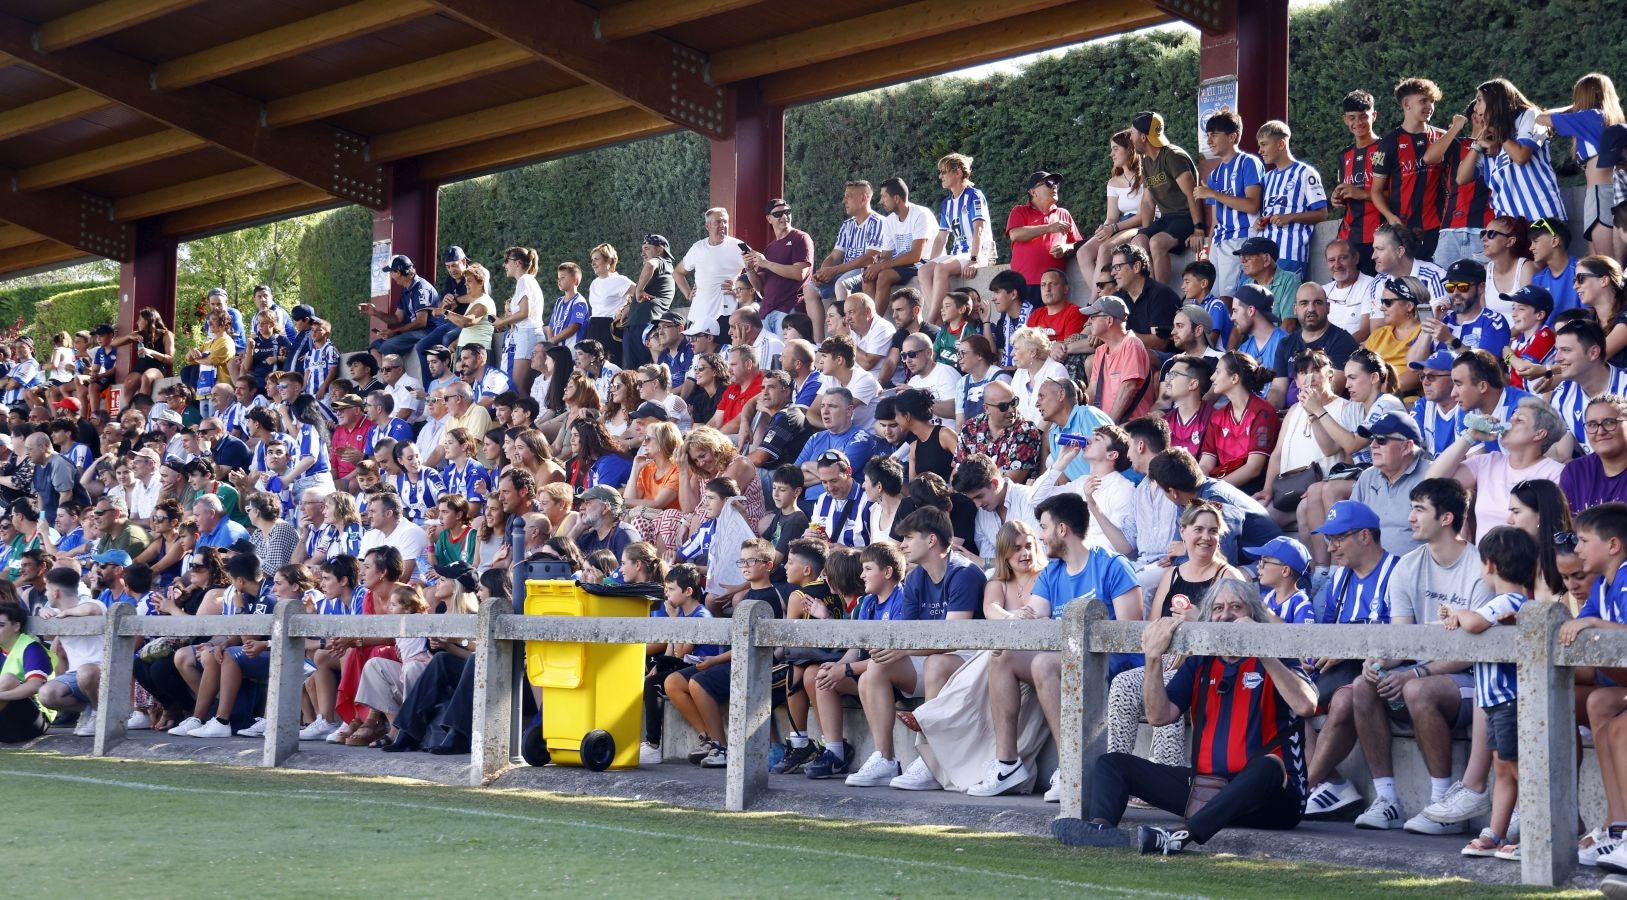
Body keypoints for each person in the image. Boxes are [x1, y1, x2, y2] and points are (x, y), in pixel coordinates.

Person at [1053, 578, 1317, 854]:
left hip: (1272, 801)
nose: (1225, 615)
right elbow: (1159, 716)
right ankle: (1101, 830)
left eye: (1236, 607)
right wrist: (1153, 658)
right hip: (1206, 792)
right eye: (1217, 609)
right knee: (1112, 764)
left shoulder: (1277, 654)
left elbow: (1306, 706)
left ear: (1254, 615)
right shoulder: (1202, 659)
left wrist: (1261, 647)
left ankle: (1180, 836)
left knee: (1269, 766)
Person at [838, 509, 986, 788]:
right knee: (875, 669)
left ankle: (932, 759)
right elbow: (905, 633)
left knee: (936, 664)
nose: (902, 544)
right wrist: (901, 650)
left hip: (968, 658)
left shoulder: (964, 573)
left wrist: (907, 650)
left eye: (908, 537)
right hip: (927, 653)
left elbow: (955, 637)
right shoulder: (916, 579)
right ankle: (885, 759)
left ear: (931, 540)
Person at [1105, 500, 1245, 774]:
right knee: (1123, 683)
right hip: (1168, 662)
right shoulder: (1172, 574)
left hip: (1212, 667)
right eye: (1199, 529)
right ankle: (1115, 769)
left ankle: (1164, 772)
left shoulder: (1228, 576)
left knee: (1167, 686)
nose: (1206, 537)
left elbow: (1243, 635)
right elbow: (1154, 625)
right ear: (1183, 531)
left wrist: (1199, 621)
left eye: (1213, 531)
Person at [1444, 526, 1537, 859]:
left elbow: (1475, 624)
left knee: (1516, 767)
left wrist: (1459, 614)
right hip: (1496, 702)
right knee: (1502, 766)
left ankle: (1539, 833)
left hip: (1511, 701)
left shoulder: (1509, 601)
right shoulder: (1508, 600)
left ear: (1490, 565)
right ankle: (1495, 833)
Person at [1427, 396, 1567, 540]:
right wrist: (1470, 436)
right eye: (1512, 417)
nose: (1510, 421)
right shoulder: (1488, 462)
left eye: (1519, 420)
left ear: (1539, 434)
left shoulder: (1556, 473)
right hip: (1483, 560)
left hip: (1525, 559)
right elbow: (1432, 483)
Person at [1539, 73, 1625, 257]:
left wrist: (1574, 107)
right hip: (1605, 193)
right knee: (1598, 259)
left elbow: (1541, 117)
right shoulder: (1607, 119)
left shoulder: (1589, 116)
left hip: (1602, 194)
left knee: (1606, 262)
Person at [1369, 77, 1447, 261]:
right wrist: (1390, 217)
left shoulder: (1442, 138)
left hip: (1438, 226)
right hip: (1402, 229)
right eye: (1423, 101)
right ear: (1406, 104)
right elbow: (1376, 190)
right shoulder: (1389, 142)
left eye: (1432, 101)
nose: (1429, 106)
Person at [1475, 78, 1567, 232]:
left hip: (1541, 215)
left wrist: (1498, 132)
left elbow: (1521, 156)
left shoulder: (1530, 116)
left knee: (1546, 257)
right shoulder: (1489, 138)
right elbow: (1461, 178)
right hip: (1508, 225)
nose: (1476, 107)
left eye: (1479, 100)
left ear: (1495, 101)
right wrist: (1478, 143)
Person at [1129, 111, 1202, 286]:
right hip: (1167, 219)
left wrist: (1198, 229)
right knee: (1139, 241)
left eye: (1132, 133)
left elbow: (1192, 193)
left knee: (1156, 243)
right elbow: (1147, 202)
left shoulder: (1173, 156)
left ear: (1143, 137)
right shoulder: (1146, 162)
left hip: (1185, 217)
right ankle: (1149, 290)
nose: (1131, 138)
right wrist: (1146, 233)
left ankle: (1160, 295)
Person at [1193, 110, 1262, 294]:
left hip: (1244, 237)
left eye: (1214, 135)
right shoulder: (1214, 174)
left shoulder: (1249, 163)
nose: (1209, 141)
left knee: (1230, 297)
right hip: (1219, 243)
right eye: (1208, 135)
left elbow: (1252, 205)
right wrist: (1208, 249)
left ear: (1232, 136)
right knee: (1214, 295)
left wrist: (1214, 194)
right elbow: (1216, 220)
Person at [804, 181, 884, 338]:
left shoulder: (878, 222)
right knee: (810, 289)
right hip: (844, 271)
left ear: (864, 198)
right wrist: (822, 272)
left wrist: (834, 270)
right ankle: (819, 342)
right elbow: (834, 256)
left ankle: (846, 336)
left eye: (848, 197)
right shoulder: (847, 225)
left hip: (864, 271)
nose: (844, 201)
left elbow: (870, 258)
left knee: (841, 284)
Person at [34, 566, 107, 737]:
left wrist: (63, 614)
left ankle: (102, 715)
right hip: (75, 676)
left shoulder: (93, 603)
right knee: (46, 694)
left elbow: (91, 610)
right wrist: (43, 611)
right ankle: (90, 710)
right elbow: (47, 634)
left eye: (47, 590)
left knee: (86, 672)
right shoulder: (56, 613)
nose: (46, 594)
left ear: (56, 592)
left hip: (102, 672)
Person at [918, 154, 989, 324]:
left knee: (941, 268)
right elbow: (941, 238)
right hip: (958, 254)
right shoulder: (947, 203)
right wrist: (931, 262)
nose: (940, 176)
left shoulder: (974, 195)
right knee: (924, 270)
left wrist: (974, 259)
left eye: (944, 172)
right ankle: (939, 323)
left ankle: (930, 320)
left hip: (976, 253)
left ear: (957, 173)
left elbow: (979, 229)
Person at [1255, 119, 1329, 279]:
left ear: (1281, 144)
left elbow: (1322, 214)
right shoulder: (1267, 178)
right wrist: (1261, 221)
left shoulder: (1306, 173)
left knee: (1285, 303)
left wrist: (1290, 217)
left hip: (1290, 255)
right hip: (1262, 255)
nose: (1260, 150)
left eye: (1264, 144)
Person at [1267, 284, 1361, 409]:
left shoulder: (1342, 341)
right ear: (1295, 309)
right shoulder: (1285, 343)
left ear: (1328, 307)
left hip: (1328, 415)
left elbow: (1332, 390)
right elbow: (1278, 389)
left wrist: (1297, 413)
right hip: (1289, 416)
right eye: (1304, 303)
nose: (1311, 309)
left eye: (1317, 302)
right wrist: (1270, 412)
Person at [1199, 352, 1278, 493]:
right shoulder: (1217, 416)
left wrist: (1214, 489)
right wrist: (1199, 485)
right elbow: (1206, 463)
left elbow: (1254, 469)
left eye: (1218, 372)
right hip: (1221, 483)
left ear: (1234, 378)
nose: (1212, 378)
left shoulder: (1262, 412)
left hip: (1251, 488)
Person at [1076, 131, 1145, 282]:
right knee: (1083, 253)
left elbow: (1142, 216)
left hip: (1140, 224)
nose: (1111, 154)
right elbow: (1112, 216)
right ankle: (1102, 296)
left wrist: (1113, 228)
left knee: (1105, 249)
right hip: (1120, 223)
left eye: (1115, 149)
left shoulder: (1146, 176)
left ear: (1130, 149)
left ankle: (1095, 300)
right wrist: (1104, 228)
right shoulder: (1113, 182)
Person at [1551, 319, 1627, 454]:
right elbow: (1563, 455)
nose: (1557, 358)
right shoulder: (1561, 396)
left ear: (1593, 353)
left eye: (1566, 350)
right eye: (1557, 350)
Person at [1005, 171, 1079, 304]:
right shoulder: (1020, 211)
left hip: (1054, 285)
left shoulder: (1063, 213)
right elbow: (1015, 234)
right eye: (1048, 183)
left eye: (1056, 183)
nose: (1054, 186)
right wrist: (1049, 228)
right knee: (1025, 324)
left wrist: (1066, 248)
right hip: (1024, 283)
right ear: (1033, 192)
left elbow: (1078, 244)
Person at [1332, 89, 1384, 273]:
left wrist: (1361, 194)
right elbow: (1345, 189)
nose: (1357, 123)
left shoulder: (1385, 149)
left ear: (1374, 115)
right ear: (1345, 119)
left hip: (1380, 237)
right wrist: (1337, 198)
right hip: (1349, 238)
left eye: (1363, 116)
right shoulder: (1344, 155)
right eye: (1352, 117)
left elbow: (1399, 194)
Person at [862, 177, 937, 304]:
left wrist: (882, 265)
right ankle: (871, 318)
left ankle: (875, 321)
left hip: (926, 261)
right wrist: (876, 264)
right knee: (868, 276)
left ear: (896, 198)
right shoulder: (890, 220)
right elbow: (886, 255)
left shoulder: (921, 214)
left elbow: (916, 255)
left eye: (884, 197)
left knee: (884, 276)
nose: (881, 201)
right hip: (905, 264)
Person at [955, 380, 1044, 485]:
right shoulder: (969, 428)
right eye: (1004, 406)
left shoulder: (1026, 431)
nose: (1011, 410)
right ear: (987, 408)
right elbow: (957, 472)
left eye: (1013, 403)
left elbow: (1010, 483)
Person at [1081, 295, 1153, 423]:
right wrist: (1077, 413)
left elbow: (1128, 388)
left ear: (1109, 320)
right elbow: (1091, 391)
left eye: (1093, 317)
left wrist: (1109, 427)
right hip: (1108, 428)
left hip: (1130, 429)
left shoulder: (1132, 344)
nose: (1088, 322)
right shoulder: (1100, 351)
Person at [1109, 242, 1181, 352]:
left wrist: (1120, 336)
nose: (1113, 273)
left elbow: (1160, 343)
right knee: (1091, 361)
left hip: (1164, 360)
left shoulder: (1161, 295)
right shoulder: (1117, 297)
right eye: (1113, 268)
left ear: (1136, 267)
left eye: (1117, 267)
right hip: (1129, 352)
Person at [366, 255, 439, 362]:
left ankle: (398, 376)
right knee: (374, 346)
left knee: (387, 346)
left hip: (427, 332)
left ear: (398, 273)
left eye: (391, 272)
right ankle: (385, 376)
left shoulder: (421, 288)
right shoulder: (405, 289)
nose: (391, 276)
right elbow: (397, 318)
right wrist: (376, 313)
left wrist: (395, 332)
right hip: (413, 332)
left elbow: (421, 322)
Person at [0, 598, 53, 742]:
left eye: (1, 625)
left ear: (16, 626)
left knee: (8, 679)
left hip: (35, 721)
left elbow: (35, 686)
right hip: (6, 722)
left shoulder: (30, 647)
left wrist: (1, 696)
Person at [1364, 275, 1428, 391]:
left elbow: (1419, 374)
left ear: (1409, 306)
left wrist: (1378, 390)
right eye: (1382, 302)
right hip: (1371, 396)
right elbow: (1360, 367)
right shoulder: (1378, 335)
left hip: (1407, 400)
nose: (1382, 308)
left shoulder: (1427, 333)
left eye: (1388, 302)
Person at [1563, 395, 1627, 511]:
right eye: (1592, 425)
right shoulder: (1575, 471)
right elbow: (1564, 524)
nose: (1600, 431)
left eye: (1609, 422)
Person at [1007, 327, 1068, 425]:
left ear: (1033, 352)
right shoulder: (1019, 372)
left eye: (1016, 349)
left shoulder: (1056, 371)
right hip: (1023, 436)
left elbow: (1054, 415)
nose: (1011, 354)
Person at [1528, 217, 1581, 317]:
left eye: (1535, 241)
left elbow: (1589, 313)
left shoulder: (1580, 271)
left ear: (1555, 241)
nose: (1531, 247)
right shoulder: (1537, 279)